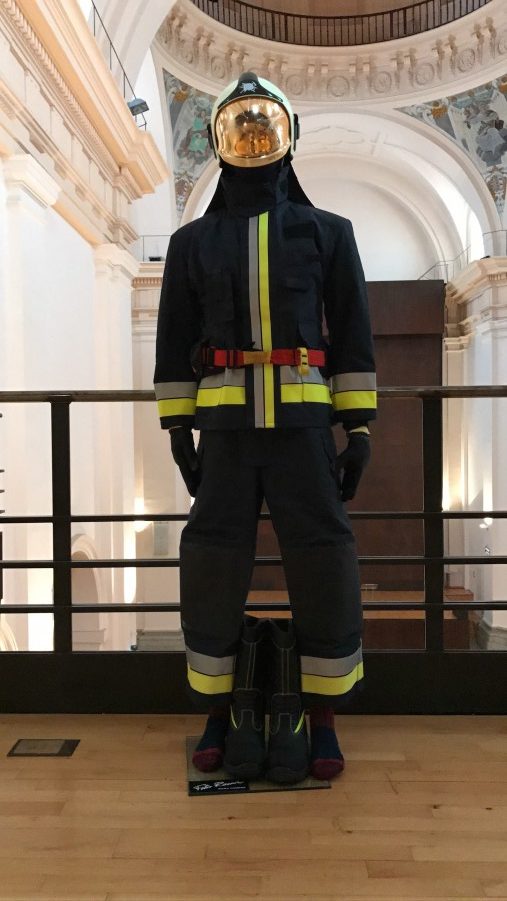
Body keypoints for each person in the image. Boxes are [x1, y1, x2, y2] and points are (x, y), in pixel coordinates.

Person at [154, 72, 376, 784]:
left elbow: (352, 336)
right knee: (213, 569)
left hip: (304, 430)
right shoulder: (189, 243)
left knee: (324, 566)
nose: (252, 137)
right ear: (219, 142)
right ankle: (222, 712)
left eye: (263, 124)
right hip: (222, 434)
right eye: (238, 125)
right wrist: (175, 430)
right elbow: (173, 339)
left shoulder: (328, 233)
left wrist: (359, 428)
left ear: (286, 137)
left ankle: (321, 718)